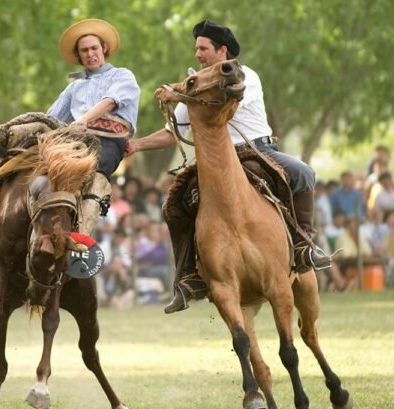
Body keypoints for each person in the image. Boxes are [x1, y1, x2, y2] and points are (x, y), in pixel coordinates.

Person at [128, 20, 331, 313]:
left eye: (203, 48)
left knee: (303, 173)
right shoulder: (194, 85)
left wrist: (179, 93)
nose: (197, 54)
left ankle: (304, 245)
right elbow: (173, 131)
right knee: (173, 205)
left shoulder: (244, 75)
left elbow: (224, 99)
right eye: (196, 48)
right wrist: (135, 144)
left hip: (257, 151)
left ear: (222, 50)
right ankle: (187, 277)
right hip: (214, 160)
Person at [46, 18, 140, 236]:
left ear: (104, 49)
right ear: (79, 56)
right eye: (84, 50)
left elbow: (111, 101)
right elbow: (51, 117)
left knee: (96, 174)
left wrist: (83, 120)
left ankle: (82, 236)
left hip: (108, 141)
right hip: (74, 142)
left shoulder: (122, 75)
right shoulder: (74, 86)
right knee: (43, 174)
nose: (90, 54)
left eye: (94, 48)